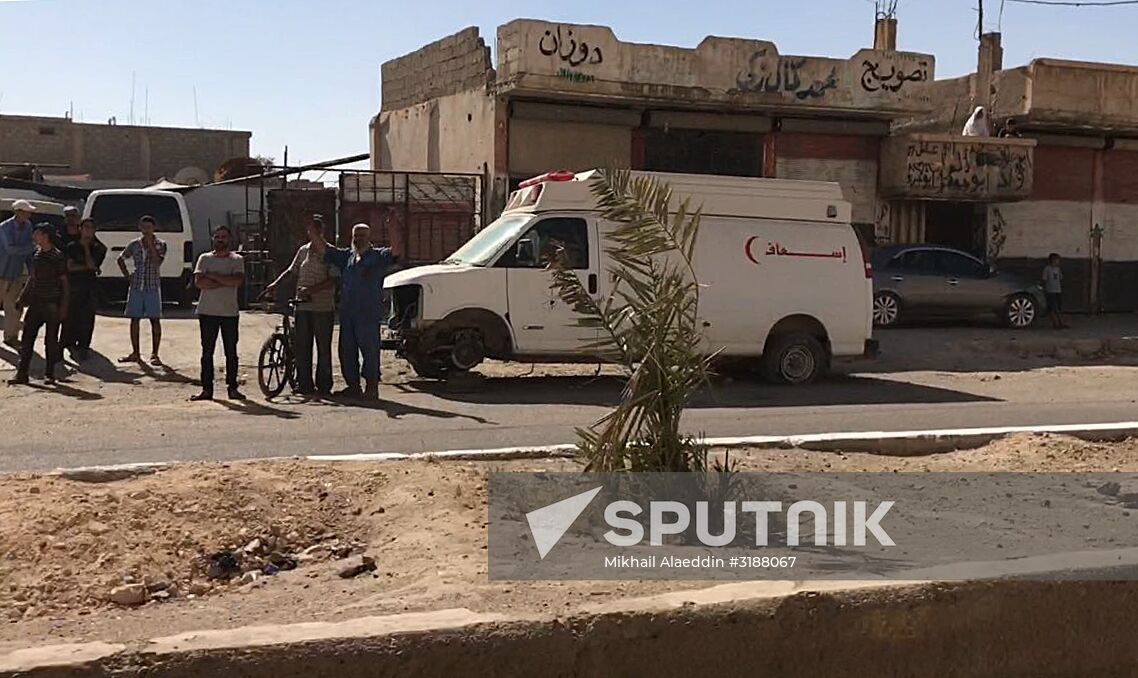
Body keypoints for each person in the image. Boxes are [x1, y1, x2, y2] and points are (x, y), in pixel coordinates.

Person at [264, 215, 338, 396]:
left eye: (316, 230)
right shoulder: (303, 251)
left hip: (322, 307)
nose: (313, 233)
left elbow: (334, 280)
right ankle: (304, 384)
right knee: (302, 347)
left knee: (322, 348)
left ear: (321, 232)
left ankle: (324, 386)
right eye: (311, 229)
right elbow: (291, 270)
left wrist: (312, 290)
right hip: (302, 306)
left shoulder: (330, 252)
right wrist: (276, 284)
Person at [324, 223, 394, 401]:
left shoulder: (378, 256)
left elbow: (397, 251)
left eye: (362, 235)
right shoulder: (347, 256)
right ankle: (353, 386)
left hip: (368, 312)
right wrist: (313, 231)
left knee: (369, 350)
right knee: (346, 350)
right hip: (348, 312)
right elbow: (326, 249)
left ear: (369, 237)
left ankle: (372, 387)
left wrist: (393, 227)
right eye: (356, 235)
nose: (358, 238)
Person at [190, 226, 246, 401]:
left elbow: (236, 280)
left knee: (231, 352)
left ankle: (232, 388)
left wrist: (213, 276)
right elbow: (200, 283)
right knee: (207, 352)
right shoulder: (204, 258)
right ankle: (207, 389)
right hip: (207, 312)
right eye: (217, 236)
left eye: (223, 236)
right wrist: (224, 280)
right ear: (213, 238)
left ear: (229, 239)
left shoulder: (237, 259)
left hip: (229, 313)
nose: (220, 239)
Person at [9, 225, 68, 386]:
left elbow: (64, 282)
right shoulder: (36, 254)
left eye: (37, 233)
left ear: (45, 235)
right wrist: (22, 298)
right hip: (36, 302)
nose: (34, 235)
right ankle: (22, 373)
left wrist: (63, 305)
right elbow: (32, 279)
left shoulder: (56, 256)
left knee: (50, 340)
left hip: (51, 302)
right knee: (27, 339)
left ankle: (49, 374)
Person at [117, 215, 167, 364]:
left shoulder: (160, 244)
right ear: (140, 227)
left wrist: (150, 245)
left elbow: (157, 262)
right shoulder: (134, 244)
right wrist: (127, 275)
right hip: (137, 285)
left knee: (155, 320)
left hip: (152, 286)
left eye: (149, 227)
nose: (146, 230)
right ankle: (135, 352)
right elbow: (121, 258)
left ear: (154, 228)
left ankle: (155, 354)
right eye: (144, 227)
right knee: (134, 319)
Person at [60, 218, 108, 361]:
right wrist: (87, 267)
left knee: (86, 319)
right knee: (69, 317)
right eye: (85, 227)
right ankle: (67, 343)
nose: (88, 230)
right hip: (73, 286)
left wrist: (86, 248)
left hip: (89, 287)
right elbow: (70, 267)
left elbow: (93, 265)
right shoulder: (71, 246)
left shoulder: (99, 248)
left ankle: (83, 346)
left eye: (91, 227)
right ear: (80, 228)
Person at [0, 199, 37, 348]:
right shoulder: (4, 227)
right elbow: (11, 249)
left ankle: (11, 336)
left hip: (15, 274)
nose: (29, 214)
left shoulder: (28, 226)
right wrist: (32, 246)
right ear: (18, 212)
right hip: (0, 271)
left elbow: (27, 254)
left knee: (14, 307)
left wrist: (31, 268)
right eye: (26, 211)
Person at [1042, 253, 1068, 330]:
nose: (1058, 262)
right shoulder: (1047, 269)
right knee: (1053, 308)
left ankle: (1061, 322)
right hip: (1050, 290)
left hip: (1057, 290)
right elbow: (1044, 279)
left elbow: (1060, 278)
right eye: (1057, 260)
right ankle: (1055, 323)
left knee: (1059, 307)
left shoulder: (1058, 269)